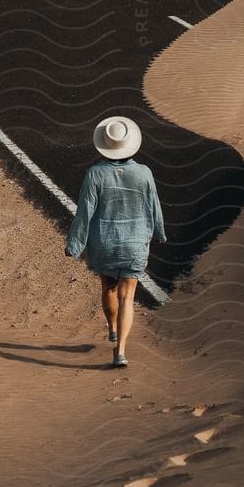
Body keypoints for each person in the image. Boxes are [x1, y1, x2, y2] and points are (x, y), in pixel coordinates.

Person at [64, 115, 166, 369]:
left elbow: (85, 212)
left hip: (103, 243)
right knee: (127, 297)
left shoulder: (95, 174)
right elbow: (154, 207)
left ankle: (110, 326)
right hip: (134, 244)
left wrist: (74, 244)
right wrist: (160, 233)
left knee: (108, 288)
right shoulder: (144, 173)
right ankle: (120, 351)